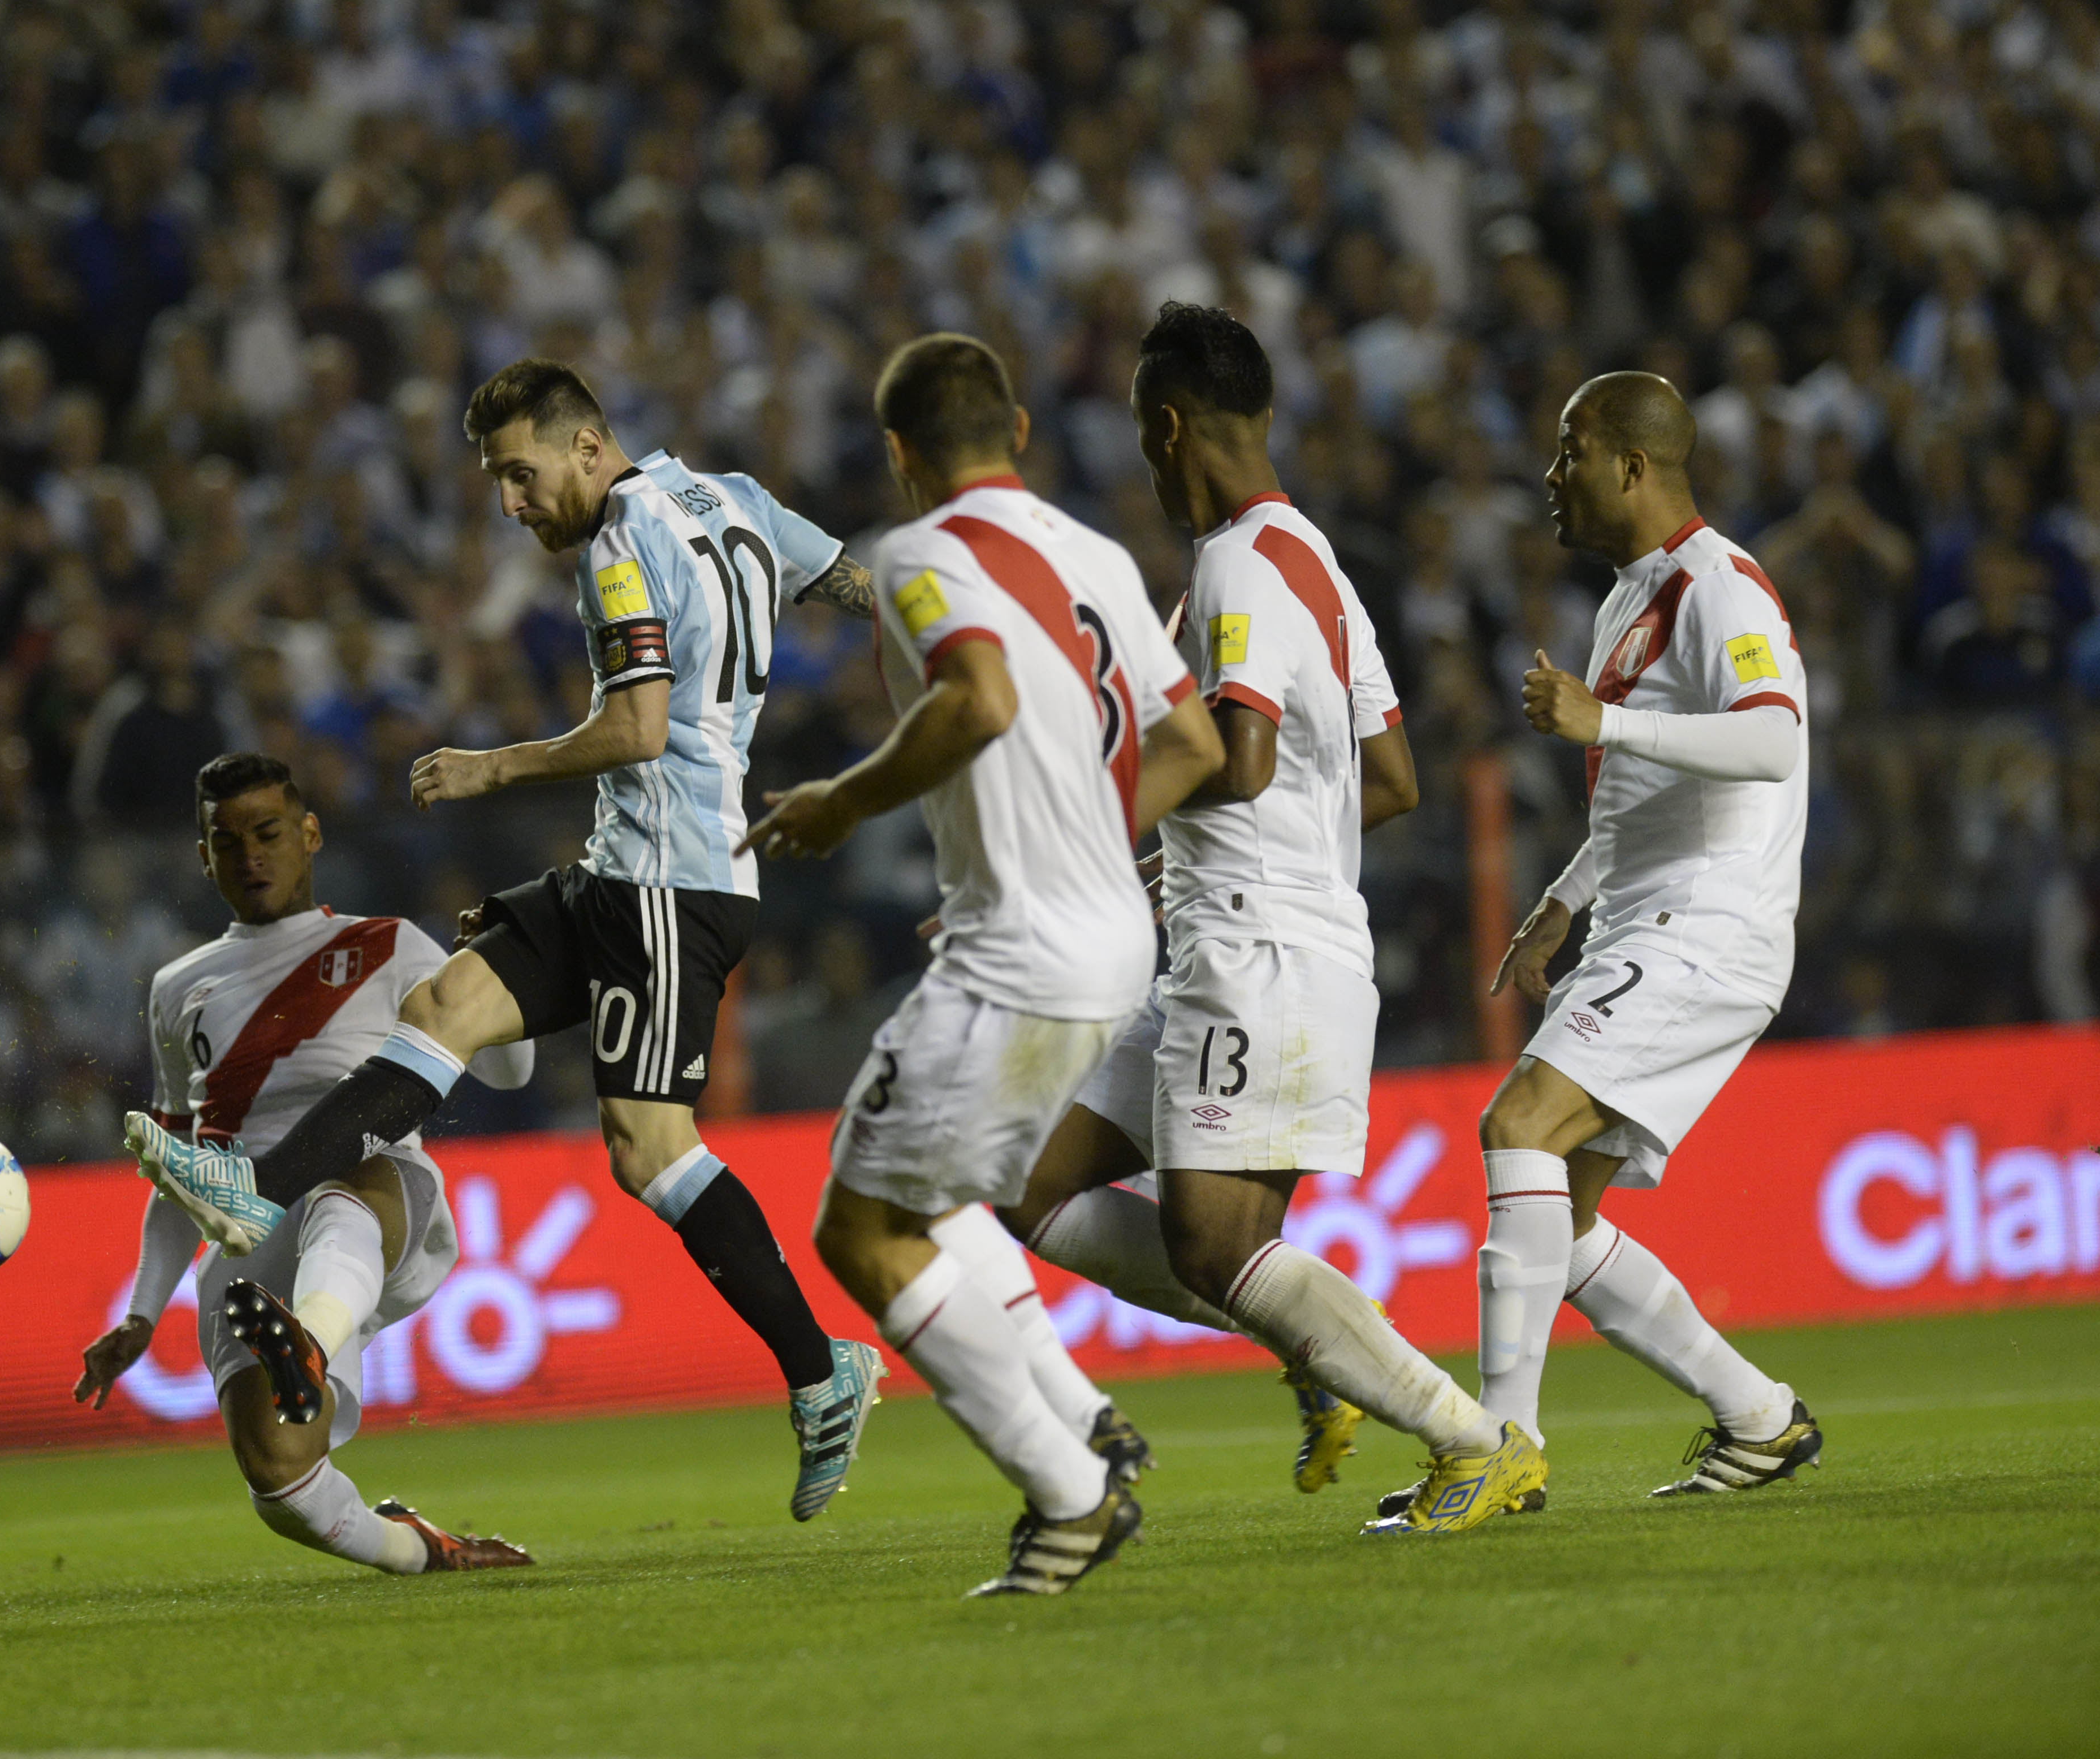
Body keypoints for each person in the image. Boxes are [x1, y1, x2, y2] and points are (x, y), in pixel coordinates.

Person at [123, 360, 889, 1522]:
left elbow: (636, 726)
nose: (510, 503)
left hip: (670, 885)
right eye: (495, 480)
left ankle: (819, 1366)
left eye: (520, 474)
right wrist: (966, 638)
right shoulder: (733, 497)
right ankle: (253, 1188)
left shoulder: (621, 540)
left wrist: (495, 764)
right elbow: (855, 584)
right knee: (438, 1010)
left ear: (588, 447)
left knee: (649, 1148)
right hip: (618, 870)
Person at [999, 303, 1544, 1537]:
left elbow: (1239, 759)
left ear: (1172, 424)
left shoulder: (1239, 560)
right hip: (1232, 933)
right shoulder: (1316, 563)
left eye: (1145, 433)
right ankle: (1313, 1347)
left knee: (1211, 1238)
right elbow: (1387, 777)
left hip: (1261, 954)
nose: (1144, 461)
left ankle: (1471, 1436)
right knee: (1023, 1175)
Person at [742, 332, 1225, 1597]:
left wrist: (842, 801)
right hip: (1117, 933)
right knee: (949, 1192)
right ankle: (1082, 1412)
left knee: (859, 1228)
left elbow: (980, 699)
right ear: (1017, 430)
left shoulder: (915, 555)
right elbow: (1189, 742)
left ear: (900, 454)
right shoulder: (1102, 557)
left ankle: (1068, 1492)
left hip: (1019, 950)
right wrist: (1081, 845)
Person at [1412, 369, 1821, 1512]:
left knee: (1517, 1122)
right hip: (1649, 913)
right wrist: (1560, 899)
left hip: (1712, 916)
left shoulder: (1717, 586)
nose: (1551, 478)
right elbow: (1636, 792)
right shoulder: (1626, 599)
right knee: (1566, 1213)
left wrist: (1602, 718)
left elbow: (1770, 741)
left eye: (1568, 452)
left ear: (1631, 466)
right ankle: (1760, 1417)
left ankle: (1503, 1446)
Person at [75, 752, 534, 1575]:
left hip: (373, 1185)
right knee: (280, 1483)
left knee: (341, 1171)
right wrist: (143, 1314)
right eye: (228, 840)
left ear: (311, 835)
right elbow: (181, 1171)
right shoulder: (179, 987)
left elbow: (511, 1070)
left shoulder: (389, 944)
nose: (251, 855)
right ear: (202, 856)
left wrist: (492, 975)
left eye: (269, 832)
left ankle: (311, 1340)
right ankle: (424, 1553)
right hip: (249, 1230)